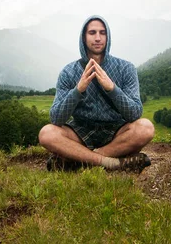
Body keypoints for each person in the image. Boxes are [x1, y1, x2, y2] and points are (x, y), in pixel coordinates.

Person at [38, 15, 155, 172]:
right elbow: (56, 118)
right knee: (47, 133)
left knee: (145, 128)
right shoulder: (68, 72)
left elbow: (134, 114)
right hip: (80, 131)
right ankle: (111, 163)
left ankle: (83, 160)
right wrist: (78, 90)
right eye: (92, 33)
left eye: (102, 33)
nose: (98, 38)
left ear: (108, 37)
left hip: (116, 131)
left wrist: (112, 88)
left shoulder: (126, 68)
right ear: (84, 37)